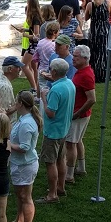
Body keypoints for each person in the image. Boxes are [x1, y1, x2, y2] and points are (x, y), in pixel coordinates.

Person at [36, 59, 75, 204]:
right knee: (61, 159)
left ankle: (52, 195)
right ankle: (61, 187)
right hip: (64, 129)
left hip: (53, 132)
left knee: (50, 162)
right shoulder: (70, 84)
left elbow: (50, 113)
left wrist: (44, 98)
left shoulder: (56, 90)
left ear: (54, 72)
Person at [8, 91, 42, 222]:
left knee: (26, 196)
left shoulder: (27, 124)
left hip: (25, 165)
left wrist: (8, 145)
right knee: (19, 194)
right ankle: (19, 219)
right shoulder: (24, 119)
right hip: (19, 164)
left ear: (21, 104)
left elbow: (24, 148)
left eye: (16, 101)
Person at [65, 46, 96, 185]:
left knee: (70, 143)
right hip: (81, 114)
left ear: (85, 58)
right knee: (78, 140)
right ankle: (81, 168)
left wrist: (77, 114)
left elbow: (92, 99)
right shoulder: (81, 71)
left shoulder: (86, 75)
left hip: (78, 115)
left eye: (76, 56)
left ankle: (69, 175)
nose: (73, 58)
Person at [85, 0, 111, 83]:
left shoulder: (90, 5)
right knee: (103, 53)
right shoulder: (107, 3)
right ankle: (103, 75)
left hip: (94, 31)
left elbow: (86, 18)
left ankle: (93, 75)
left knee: (94, 53)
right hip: (104, 31)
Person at [11, 0, 41, 91]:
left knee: (23, 65)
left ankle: (34, 87)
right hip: (34, 45)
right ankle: (36, 87)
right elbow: (34, 30)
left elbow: (36, 36)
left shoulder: (35, 18)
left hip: (34, 46)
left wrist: (25, 35)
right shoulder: (37, 16)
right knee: (33, 67)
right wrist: (26, 30)